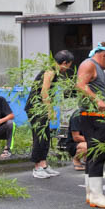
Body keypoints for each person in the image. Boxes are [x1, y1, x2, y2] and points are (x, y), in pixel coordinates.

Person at [75, 41, 105, 209]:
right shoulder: (89, 64)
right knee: (97, 154)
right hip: (93, 116)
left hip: (98, 115)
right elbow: (79, 85)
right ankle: (96, 195)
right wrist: (97, 100)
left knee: (95, 153)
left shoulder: (96, 67)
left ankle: (92, 192)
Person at [26, 49, 75, 178]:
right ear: (64, 62)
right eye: (69, 65)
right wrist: (49, 109)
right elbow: (44, 92)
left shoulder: (55, 71)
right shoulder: (50, 71)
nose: (68, 68)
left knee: (46, 136)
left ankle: (44, 165)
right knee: (40, 137)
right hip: (36, 108)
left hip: (41, 107)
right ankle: (37, 168)